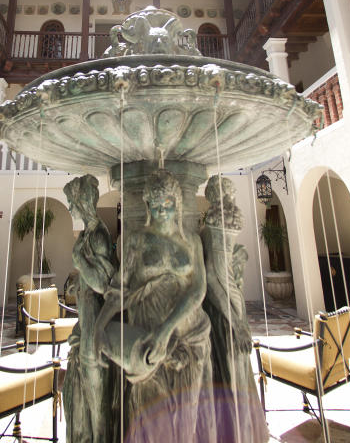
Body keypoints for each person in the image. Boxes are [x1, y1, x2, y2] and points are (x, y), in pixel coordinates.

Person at [95, 169, 215, 442]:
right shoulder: (134, 241)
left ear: (177, 203)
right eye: (157, 205)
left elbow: (198, 290)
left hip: (188, 336)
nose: (162, 210)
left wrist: (166, 330)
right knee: (150, 415)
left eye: (168, 204)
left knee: (186, 418)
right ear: (147, 206)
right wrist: (99, 326)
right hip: (146, 339)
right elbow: (119, 290)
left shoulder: (191, 241)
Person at [201, 175, 269, 442]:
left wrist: (236, 254)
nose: (231, 198)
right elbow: (213, 273)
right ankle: (238, 430)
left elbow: (218, 267)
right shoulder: (221, 217)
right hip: (225, 303)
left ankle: (237, 428)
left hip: (222, 302)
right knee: (232, 364)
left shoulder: (213, 222)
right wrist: (237, 323)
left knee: (230, 363)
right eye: (228, 193)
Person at [62, 175, 118, 443]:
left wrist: (79, 264)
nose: (70, 208)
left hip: (97, 328)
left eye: (72, 203)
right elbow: (91, 279)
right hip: (85, 325)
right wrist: (78, 281)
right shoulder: (87, 234)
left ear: (81, 202)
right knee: (79, 396)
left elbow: (105, 285)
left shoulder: (98, 235)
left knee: (99, 406)